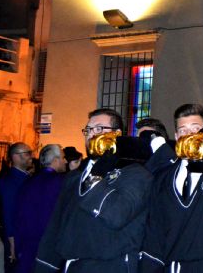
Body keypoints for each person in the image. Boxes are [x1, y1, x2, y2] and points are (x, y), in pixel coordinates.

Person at [35, 108, 154, 272]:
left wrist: (97, 178)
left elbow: (117, 214)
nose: (91, 134)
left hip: (111, 266)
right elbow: (55, 229)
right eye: (88, 130)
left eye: (98, 129)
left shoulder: (136, 174)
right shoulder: (73, 178)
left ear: (117, 134)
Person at [140, 104, 203, 272]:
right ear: (176, 136)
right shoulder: (164, 177)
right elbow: (155, 231)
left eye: (196, 129)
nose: (189, 135)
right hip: (176, 265)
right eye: (183, 130)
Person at [14, 144, 66, 273]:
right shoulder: (60, 183)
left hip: (26, 244)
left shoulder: (29, 181)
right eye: (63, 158)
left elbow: (18, 214)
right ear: (55, 160)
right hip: (49, 248)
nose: (65, 161)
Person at [0, 142, 33, 268]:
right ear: (16, 157)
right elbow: (9, 212)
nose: (31, 156)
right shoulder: (9, 181)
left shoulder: (26, 178)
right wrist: (12, 243)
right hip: (15, 238)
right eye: (27, 153)